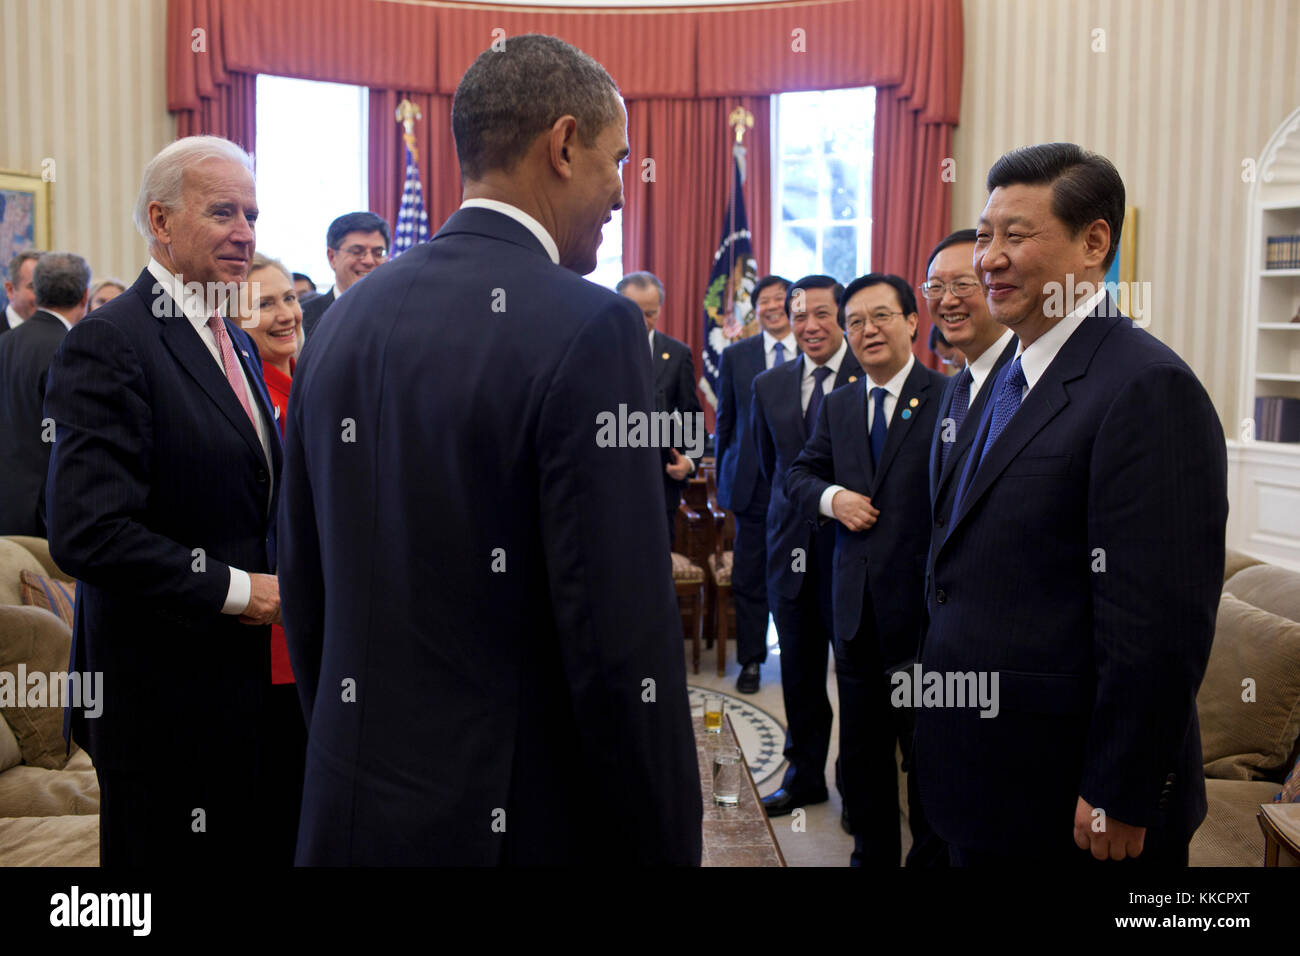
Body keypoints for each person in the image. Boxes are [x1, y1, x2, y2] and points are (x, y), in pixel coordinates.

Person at [279, 33, 702, 866]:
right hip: (514, 818)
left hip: (350, 802)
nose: (622, 192)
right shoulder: (592, 325)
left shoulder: (340, 322)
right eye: (617, 161)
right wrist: (662, 837)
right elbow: (617, 634)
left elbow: (305, 574)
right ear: (564, 143)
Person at [917, 143, 1228, 866]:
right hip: (978, 769)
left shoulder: (1146, 387)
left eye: (1015, 235)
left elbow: (1158, 622)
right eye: (985, 233)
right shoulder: (1000, 378)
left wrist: (1123, 788)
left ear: (1094, 243)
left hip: (1072, 798)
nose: (988, 257)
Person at [44, 135, 283, 867]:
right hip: (159, 701)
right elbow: (87, 533)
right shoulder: (112, 342)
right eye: (222, 212)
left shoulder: (233, 339)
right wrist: (243, 592)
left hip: (241, 694)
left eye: (251, 213)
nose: (244, 232)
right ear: (161, 219)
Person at [786, 273, 948, 866]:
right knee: (863, 755)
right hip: (856, 617)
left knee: (927, 757)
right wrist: (834, 499)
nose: (866, 331)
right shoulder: (842, 402)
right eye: (855, 322)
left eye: (881, 316)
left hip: (927, 619)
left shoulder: (950, 398)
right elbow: (800, 475)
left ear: (912, 321)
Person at [749, 274, 862, 818]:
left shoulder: (871, 374)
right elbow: (775, 470)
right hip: (789, 549)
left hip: (854, 552)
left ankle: (857, 785)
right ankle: (805, 776)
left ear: (840, 315)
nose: (810, 326)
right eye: (799, 316)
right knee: (798, 671)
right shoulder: (768, 385)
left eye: (822, 314)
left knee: (857, 674)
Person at [235, 250, 307, 865]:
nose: (285, 313)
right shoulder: (251, 396)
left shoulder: (304, 378)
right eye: (265, 304)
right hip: (275, 627)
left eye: (288, 297)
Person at [714, 274, 793, 694]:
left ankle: (801, 654)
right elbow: (725, 421)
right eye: (764, 300)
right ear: (755, 308)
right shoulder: (737, 356)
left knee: (802, 576)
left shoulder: (814, 350)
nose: (772, 306)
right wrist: (724, 481)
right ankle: (750, 661)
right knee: (749, 575)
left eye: (780, 299)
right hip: (752, 488)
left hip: (802, 485)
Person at [922, 229, 1017, 576]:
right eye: (935, 287)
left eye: (962, 285)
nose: (947, 300)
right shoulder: (955, 387)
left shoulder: (1026, 379)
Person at [0, 253, 90, 536]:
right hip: (45, 515)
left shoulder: (4, 342)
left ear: (37, 292)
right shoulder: (73, 348)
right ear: (85, 296)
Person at [617, 270, 703, 548]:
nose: (642, 322)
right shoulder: (596, 348)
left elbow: (692, 416)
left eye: (650, 313)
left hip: (661, 483)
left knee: (657, 569)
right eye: (634, 311)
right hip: (611, 483)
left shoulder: (677, 354)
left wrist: (689, 462)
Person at [299, 212, 390, 339]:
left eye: (378, 253)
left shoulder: (401, 314)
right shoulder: (303, 318)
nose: (369, 261)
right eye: (357, 252)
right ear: (332, 258)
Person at [2, 250, 40, 333]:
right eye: (34, 287)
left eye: (48, 287)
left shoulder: (65, 334)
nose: (44, 297)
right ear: (10, 290)